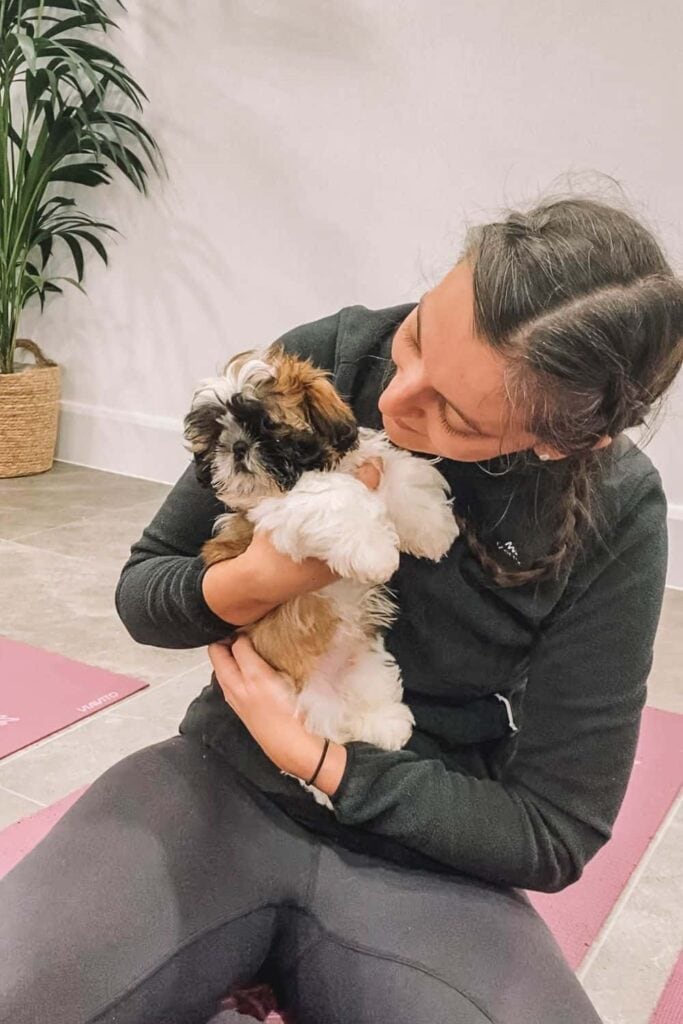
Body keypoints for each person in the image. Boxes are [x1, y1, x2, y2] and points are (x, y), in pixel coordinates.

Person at [2, 195, 682, 1024]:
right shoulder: (327, 360)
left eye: (456, 416)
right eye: (419, 336)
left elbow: (552, 832)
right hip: (225, 781)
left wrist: (321, 760)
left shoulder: (615, 510)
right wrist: (257, 581)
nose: (396, 401)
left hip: (426, 854)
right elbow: (147, 593)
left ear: (558, 443)